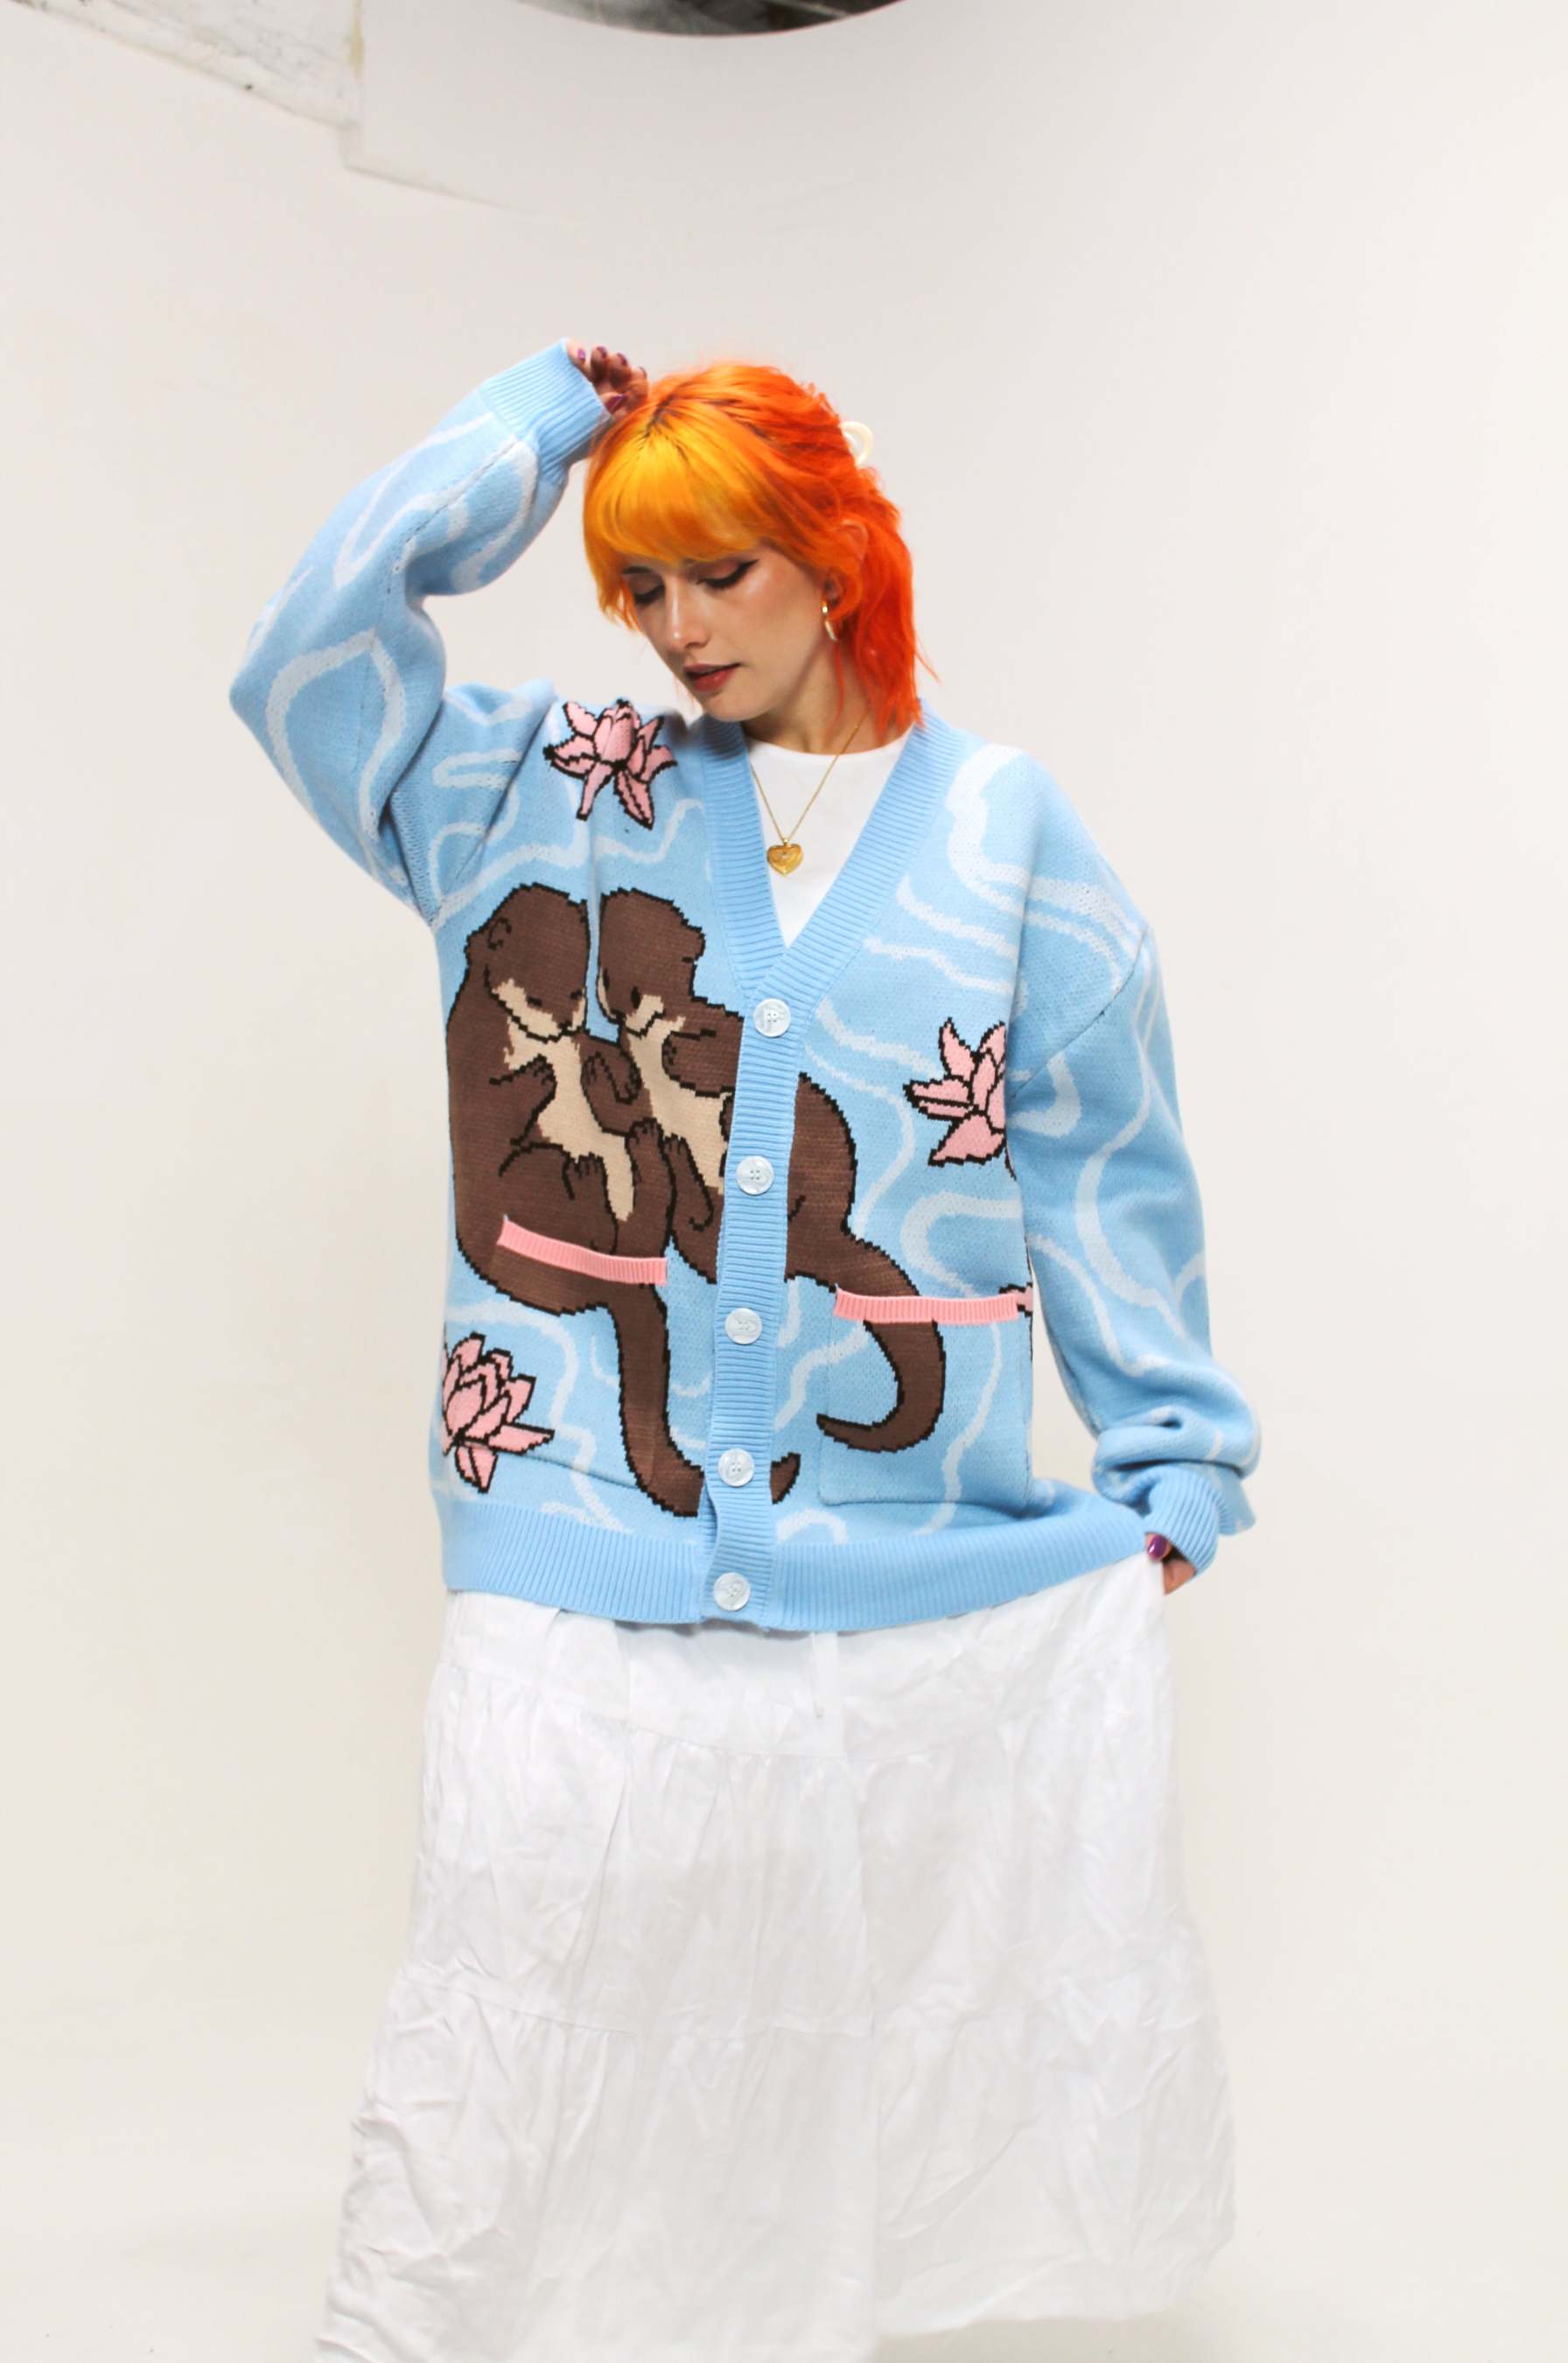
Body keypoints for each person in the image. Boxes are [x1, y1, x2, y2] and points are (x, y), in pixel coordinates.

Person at [228, 330, 1262, 2362]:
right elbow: (303, 662)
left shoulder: (1007, 837)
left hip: (899, 1571)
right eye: (640, 585)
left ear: (838, 552)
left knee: (812, 2084)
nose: (678, 628)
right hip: (568, 1545)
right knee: (510, 2025)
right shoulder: (539, 789)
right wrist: (530, 430)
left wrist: (1174, 1456)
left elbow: (1105, 1153)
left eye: (723, 571)